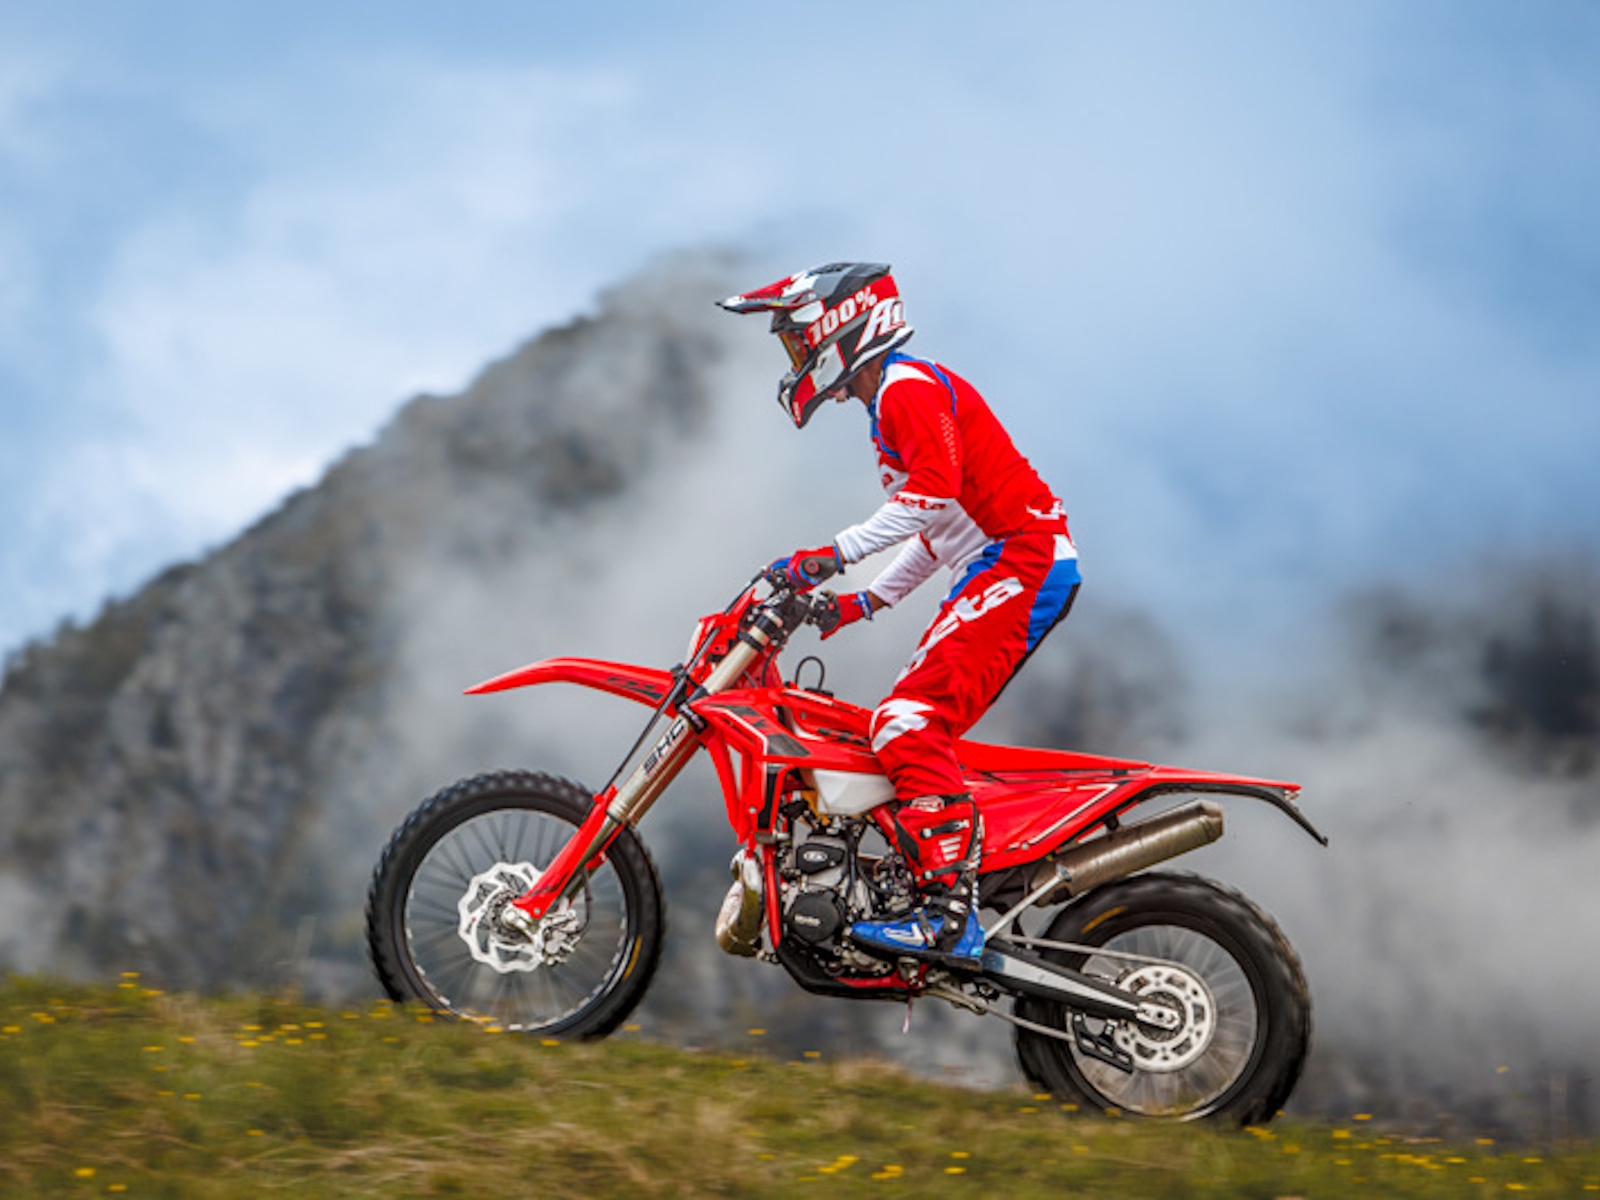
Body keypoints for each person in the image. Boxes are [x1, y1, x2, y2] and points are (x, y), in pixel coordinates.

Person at [719, 262, 1080, 968]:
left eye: (797, 341)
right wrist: (863, 601)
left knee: (909, 723)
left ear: (840, 327)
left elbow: (931, 496)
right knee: (897, 723)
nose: (796, 359)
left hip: (1023, 558)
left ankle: (947, 916)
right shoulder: (893, 397)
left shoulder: (905, 389)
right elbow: (936, 525)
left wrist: (834, 555)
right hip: (1001, 560)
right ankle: (931, 881)